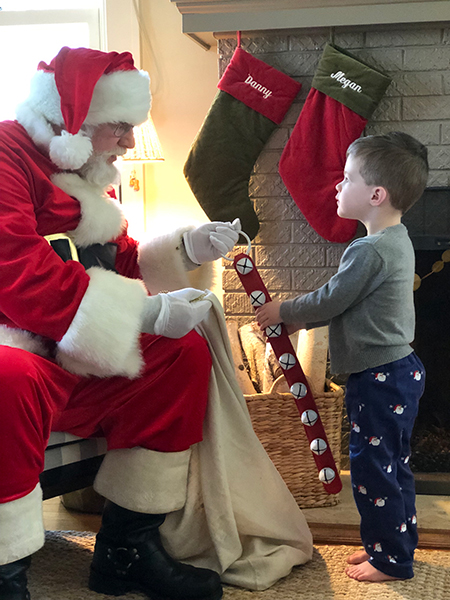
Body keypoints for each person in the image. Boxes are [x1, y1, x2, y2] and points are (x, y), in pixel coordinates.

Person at [0, 47, 314, 600]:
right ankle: (7, 573)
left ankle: (126, 551)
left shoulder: (77, 167)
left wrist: (187, 246)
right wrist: (144, 312)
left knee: (180, 355)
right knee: (10, 379)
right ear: (72, 119)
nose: (127, 142)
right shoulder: (6, 155)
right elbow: (18, 274)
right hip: (17, 338)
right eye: (119, 126)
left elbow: (113, 259)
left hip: (65, 345)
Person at [256, 131, 429, 583]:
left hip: (379, 377)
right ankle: (393, 545)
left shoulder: (369, 250)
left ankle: (390, 560)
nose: (337, 185)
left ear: (376, 194)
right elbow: (347, 302)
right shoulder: (398, 239)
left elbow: (333, 299)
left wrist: (285, 312)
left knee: (372, 472)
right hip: (396, 371)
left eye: (347, 177)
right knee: (393, 465)